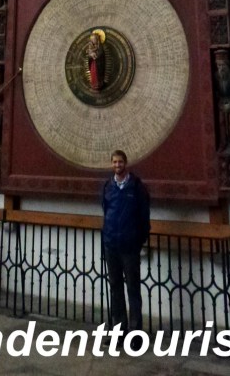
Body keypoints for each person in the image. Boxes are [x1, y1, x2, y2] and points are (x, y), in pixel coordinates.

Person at [102, 149, 150, 348]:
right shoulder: (107, 187)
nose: (117, 165)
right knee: (115, 289)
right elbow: (105, 209)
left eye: (120, 162)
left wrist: (138, 240)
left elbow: (144, 216)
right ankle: (118, 331)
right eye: (114, 162)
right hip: (112, 244)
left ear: (126, 163)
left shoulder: (136, 187)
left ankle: (136, 334)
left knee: (133, 289)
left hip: (130, 246)